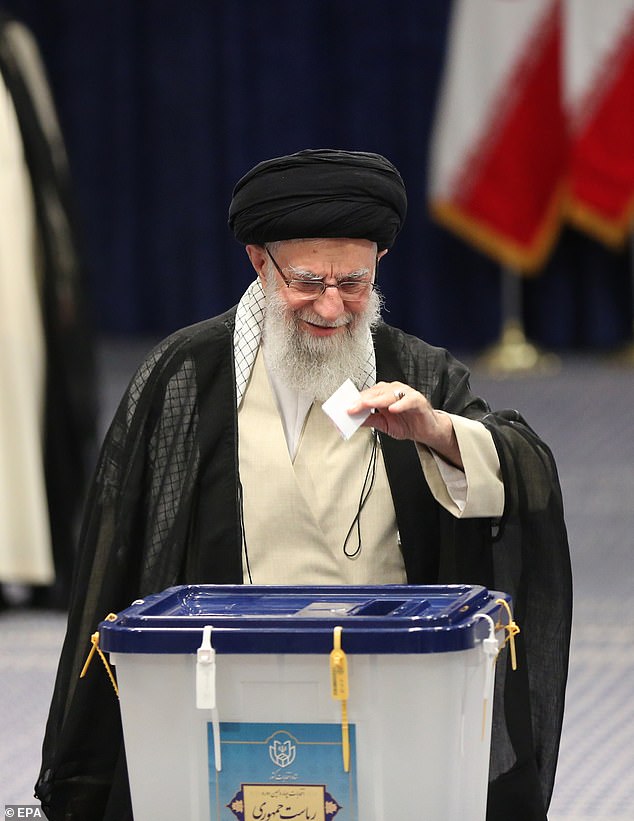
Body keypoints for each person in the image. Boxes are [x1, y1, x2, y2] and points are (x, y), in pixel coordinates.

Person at [36, 149, 571, 820]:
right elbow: (120, 552)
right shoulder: (187, 375)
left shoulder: (416, 369)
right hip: (227, 697)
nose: (331, 304)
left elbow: (528, 468)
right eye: (309, 281)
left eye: (353, 281)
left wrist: (436, 430)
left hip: (387, 692)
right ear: (260, 264)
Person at [0, 12, 96, 610]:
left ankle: (25, 557)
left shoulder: (14, 47)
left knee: (20, 393)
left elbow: (46, 183)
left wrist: (61, 276)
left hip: (16, 281)